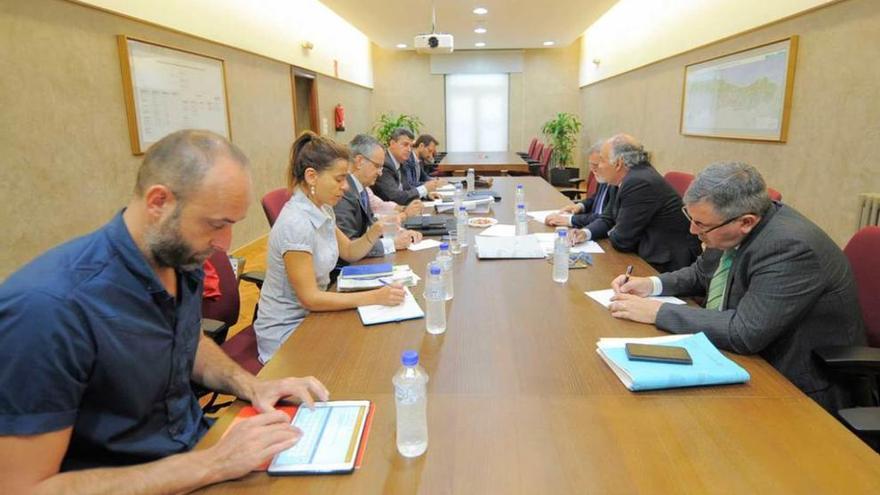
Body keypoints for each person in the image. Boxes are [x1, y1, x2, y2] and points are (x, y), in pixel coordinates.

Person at [0, 130, 329, 494]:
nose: (224, 245)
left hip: (196, 452)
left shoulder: (178, 258)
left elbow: (186, 340)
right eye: (216, 224)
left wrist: (252, 385)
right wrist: (212, 463)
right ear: (159, 202)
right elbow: (24, 488)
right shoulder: (48, 310)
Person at [608, 162, 865, 412]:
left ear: (746, 221)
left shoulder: (790, 248)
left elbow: (745, 332)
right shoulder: (730, 227)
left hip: (795, 384)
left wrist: (656, 312)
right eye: (691, 217)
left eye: (701, 224)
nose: (692, 230)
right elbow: (702, 272)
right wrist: (651, 284)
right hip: (746, 357)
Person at [254, 132, 406, 363]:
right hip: (289, 330)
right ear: (312, 176)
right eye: (339, 179)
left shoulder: (322, 208)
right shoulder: (296, 223)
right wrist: (375, 296)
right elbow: (310, 298)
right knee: (362, 358)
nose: (345, 187)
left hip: (316, 315)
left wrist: (375, 230)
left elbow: (349, 251)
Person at [569, 134, 700, 272]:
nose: (597, 167)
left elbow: (622, 240)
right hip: (643, 251)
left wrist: (615, 228)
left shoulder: (639, 182)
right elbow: (608, 219)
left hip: (664, 261)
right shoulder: (621, 178)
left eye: (601, 160)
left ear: (618, 163)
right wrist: (585, 233)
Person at [334, 134, 423, 257]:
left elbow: (370, 226)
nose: (380, 173)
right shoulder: (343, 192)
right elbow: (349, 244)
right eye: (377, 166)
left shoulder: (361, 188)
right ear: (359, 161)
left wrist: (400, 233)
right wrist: (392, 244)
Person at [545, 142, 617, 229]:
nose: (593, 169)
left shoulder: (617, 184)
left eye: (596, 165)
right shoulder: (603, 177)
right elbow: (596, 197)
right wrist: (580, 206)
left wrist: (569, 219)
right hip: (590, 227)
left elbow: (604, 218)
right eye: (591, 165)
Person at [372, 128, 442, 205]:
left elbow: (407, 188)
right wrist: (424, 189)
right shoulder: (384, 164)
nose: (409, 150)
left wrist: (425, 195)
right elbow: (395, 196)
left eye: (411, 146)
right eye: (405, 145)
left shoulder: (401, 162)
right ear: (392, 143)